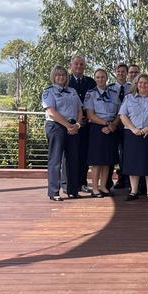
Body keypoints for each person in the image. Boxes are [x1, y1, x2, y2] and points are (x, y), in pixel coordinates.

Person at [119, 74, 148, 201]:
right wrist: (134, 129)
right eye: (140, 83)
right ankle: (133, 192)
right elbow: (123, 115)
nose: (143, 85)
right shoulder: (128, 98)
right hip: (132, 134)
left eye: (146, 83)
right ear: (136, 84)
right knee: (132, 163)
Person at [42, 65, 83, 201]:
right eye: (58, 74)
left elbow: (79, 110)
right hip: (56, 126)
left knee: (72, 159)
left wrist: (77, 124)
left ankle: (72, 190)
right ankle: (54, 192)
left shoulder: (72, 91)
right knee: (55, 159)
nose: (61, 77)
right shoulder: (49, 91)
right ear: (53, 76)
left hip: (72, 126)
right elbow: (51, 112)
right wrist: (67, 125)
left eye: (63, 75)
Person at [83, 68, 121, 198]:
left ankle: (103, 186)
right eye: (98, 77)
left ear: (107, 78)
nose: (100, 79)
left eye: (103, 77)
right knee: (97, 161)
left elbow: (120, 112)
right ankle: (94, 188)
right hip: (97, 128)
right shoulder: (91, 94)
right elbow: (90, 115)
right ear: (95, 79)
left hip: (111, 128)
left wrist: (113, 125)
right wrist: (106, 124)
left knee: (107, 161)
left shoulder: (114, 93)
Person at [68, 56, 96, 192]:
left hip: (86, 124)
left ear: (85, 66)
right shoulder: (65, 81)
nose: (79, 66)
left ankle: (82, 182)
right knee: (70, 155)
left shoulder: (91, 82)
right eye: (76, 64)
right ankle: (70, 183)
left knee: (83, 155)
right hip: (69, 124)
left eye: (81, 64)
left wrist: (86, 117)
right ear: (71, 65)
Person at [106, 63, 131, 190]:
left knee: (127, 153)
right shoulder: (109, 88)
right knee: (111, 152)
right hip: (112, 125)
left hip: (127, 125)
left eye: (123, 71)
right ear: (116, 72)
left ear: (127, 73)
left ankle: (126, 179)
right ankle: (108, 181)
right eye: (119, 71)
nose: (121, 73)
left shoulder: (132, 88)